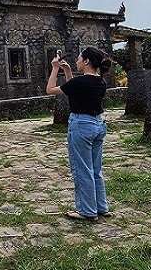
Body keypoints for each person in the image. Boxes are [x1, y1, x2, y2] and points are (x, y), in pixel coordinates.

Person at [46, 47, 112, 221]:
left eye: (79, 58)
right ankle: (101, 206)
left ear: (87, 61)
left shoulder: (80, 82)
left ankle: (87, 210)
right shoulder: (101, 82)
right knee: (96, 169)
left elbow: (50, 89)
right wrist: (67, 71)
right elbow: (75, 91)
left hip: (82, 126)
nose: (77, 61)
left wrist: (54, 68)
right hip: (98, 125)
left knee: (82, 169)